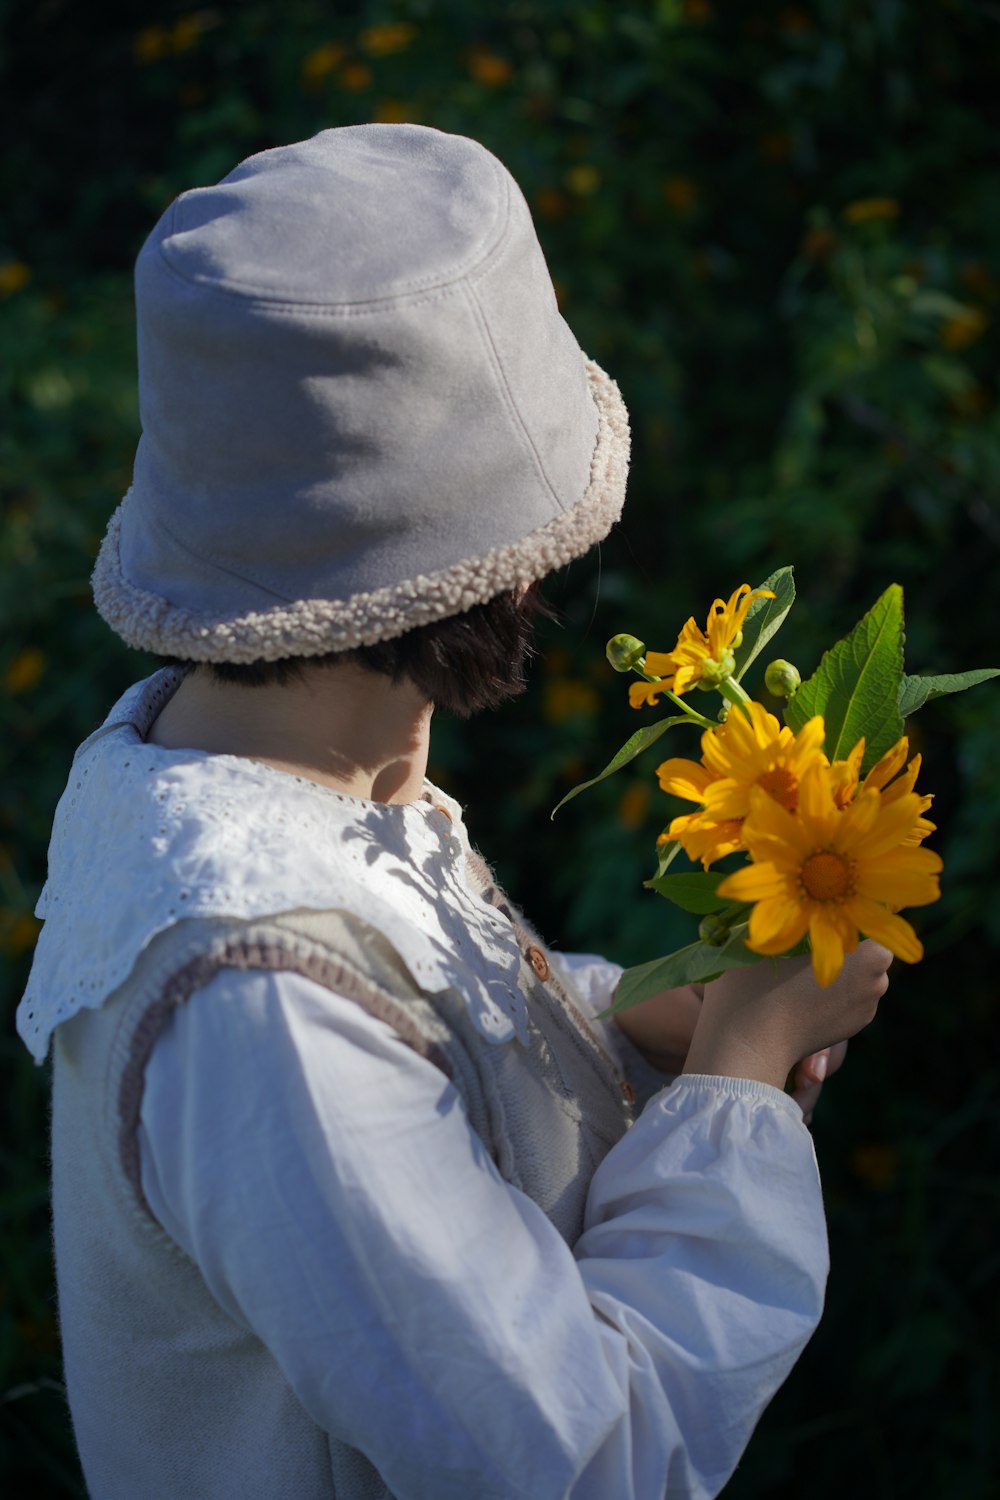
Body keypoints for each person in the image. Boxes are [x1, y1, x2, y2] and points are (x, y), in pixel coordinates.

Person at [17, 124, 891, 1500]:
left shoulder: (265, 780)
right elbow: (585, 1457)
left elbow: (418, 1037)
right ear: (487, 569)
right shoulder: (260, 1011)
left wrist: (613, 1023)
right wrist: (735, 1088)